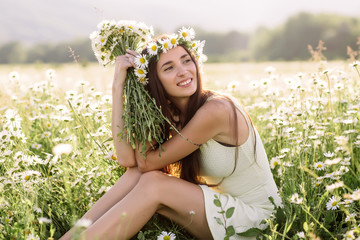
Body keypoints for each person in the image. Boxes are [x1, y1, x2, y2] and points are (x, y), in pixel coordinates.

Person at [60, 31, 282, 240]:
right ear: (154, 81)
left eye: (186, 60)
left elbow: (147, 163)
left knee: (153, 182)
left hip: (260, 221)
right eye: (169, 68)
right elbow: (129, 161)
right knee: (139, 174)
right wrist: (119, 86)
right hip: (225, 206)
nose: (184, 71)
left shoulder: (217, 110)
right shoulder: (171, 113)